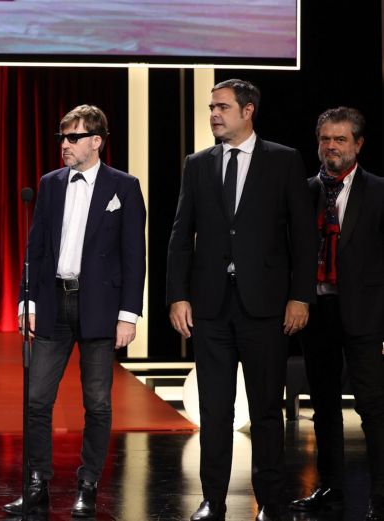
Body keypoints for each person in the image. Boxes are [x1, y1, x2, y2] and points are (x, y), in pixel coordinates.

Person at [166, 79, 316, 521]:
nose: (213, 114)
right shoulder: (198, 164)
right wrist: (177, 296)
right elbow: (180, 237)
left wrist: (300, 297)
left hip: (266, 307)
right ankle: (213, 499)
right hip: (210, 308)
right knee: (214, 411)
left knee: (267, 409)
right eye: (211, 107)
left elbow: (303, 239)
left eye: (222, 107)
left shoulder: (283, 161)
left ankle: (270, 501)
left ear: (248, 111)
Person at [2, 105, 146, 518]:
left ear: (96, 141)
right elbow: (36, 247)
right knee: (37, 400)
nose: (64, 145)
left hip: (99, 307)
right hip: (53, 302)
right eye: (61, 138)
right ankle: (36, 485)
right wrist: (26, 300)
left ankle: (87, 486)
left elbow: (135, 256)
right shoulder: (50, 184)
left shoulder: (124, 186)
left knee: (97, 403)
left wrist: (128, 314)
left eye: (73, 138)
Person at [289, 107, 384, 521]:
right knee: (323, 405)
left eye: (340, 139)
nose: (331, 146)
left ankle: (381, 494)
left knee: (373, 406)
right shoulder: (302, 190)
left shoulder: (380, 191)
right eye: (325, 138)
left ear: (358, 144)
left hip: (365, 314)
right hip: (317, 313)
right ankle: (330, 488)